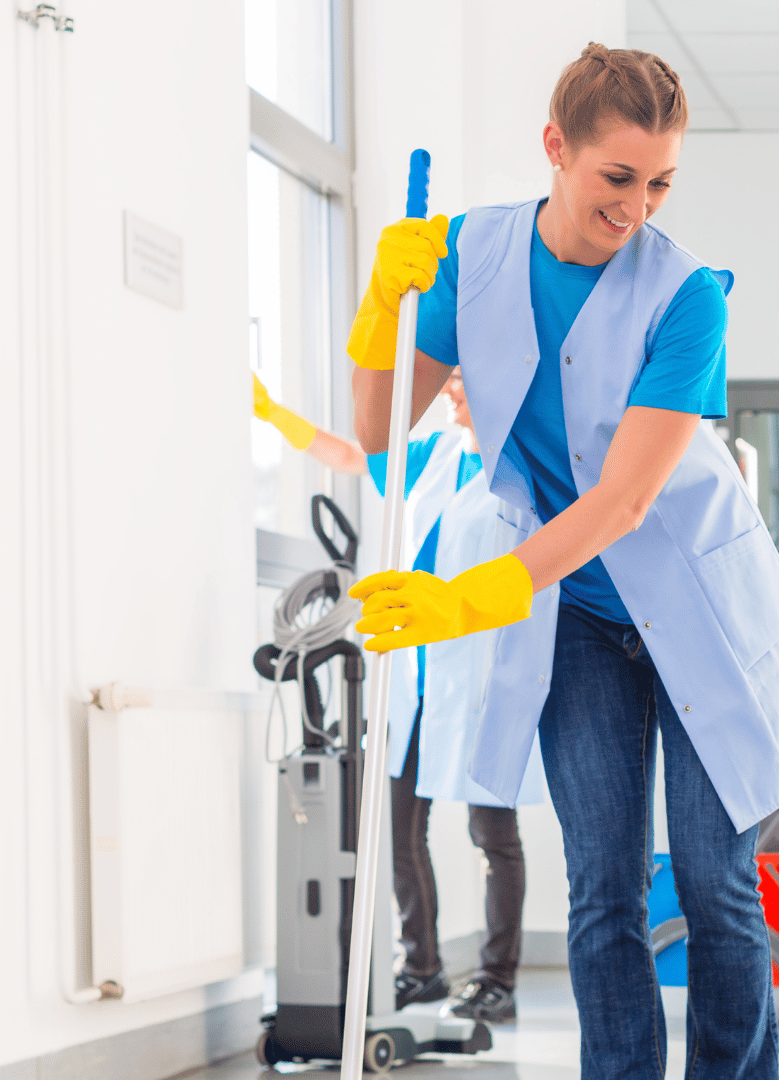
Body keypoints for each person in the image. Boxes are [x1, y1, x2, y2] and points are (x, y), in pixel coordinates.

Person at [341, 43, 779, 1080]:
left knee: (714, 883)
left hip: (701, 607)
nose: (639, 207)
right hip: (575, 619)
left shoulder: (688, 294)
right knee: (604, 887)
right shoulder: (467, 261)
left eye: (660, 183)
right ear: (556, 149)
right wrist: (379, 309)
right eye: (619, 177)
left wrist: (472, 596)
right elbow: (377, 431)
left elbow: (626, 497)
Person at [253, 371, 542, 1022]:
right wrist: (274, 415)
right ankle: (423, 968)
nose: (450, 392)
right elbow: (352, 455)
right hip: (415, 674)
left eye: (465, 381)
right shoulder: (436, 454)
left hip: (480, 672)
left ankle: (498, 979)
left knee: (491, 830)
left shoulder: (521, 463)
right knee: (400, 826)